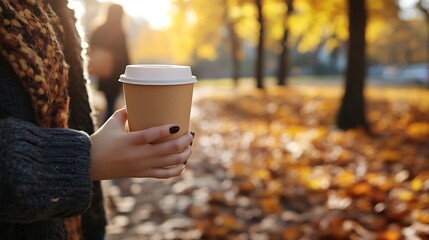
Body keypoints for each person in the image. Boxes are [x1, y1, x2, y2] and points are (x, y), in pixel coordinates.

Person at [0, 1, 194, 240]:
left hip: (70, 227)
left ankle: (112, 140)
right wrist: (84, 159)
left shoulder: (60, 8)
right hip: (116, 81)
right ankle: (113, 143)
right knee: (113, 109)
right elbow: (126, 58)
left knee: (113, 111)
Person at [88, 3, 130, 123]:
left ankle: (104, 125)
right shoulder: (120, 33)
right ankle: (107, 127)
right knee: (111, 103)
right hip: (115, 75)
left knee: (109, 102)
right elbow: (126, 57)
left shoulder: (98, 29)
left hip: (103, 73)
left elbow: (91, 48)